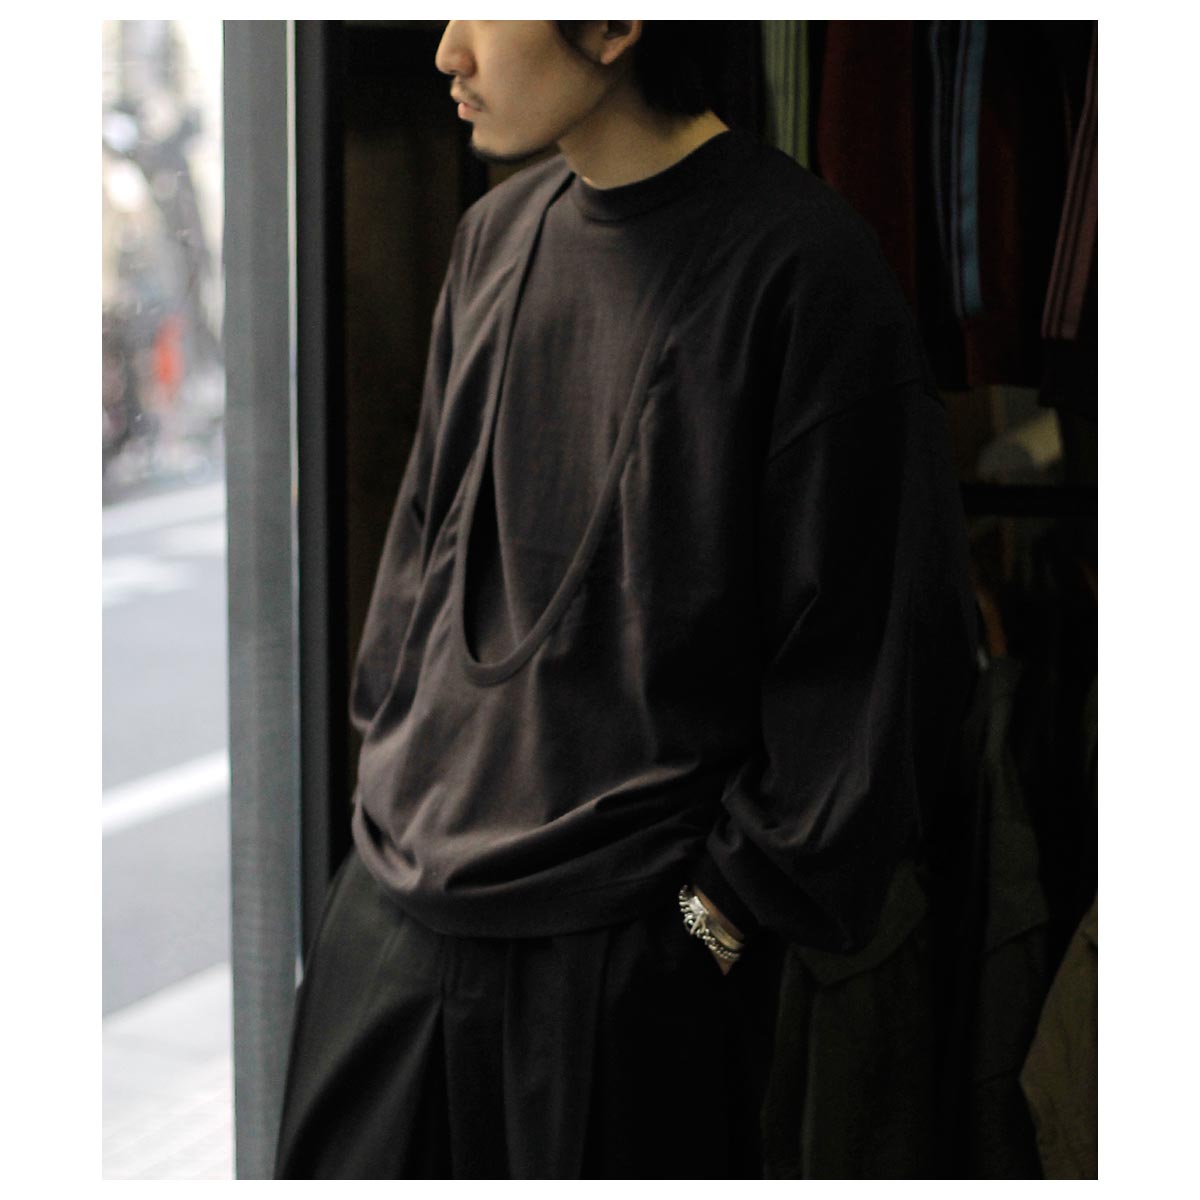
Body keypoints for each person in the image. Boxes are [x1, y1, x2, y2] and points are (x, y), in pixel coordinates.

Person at [273, 19, 978, 1180]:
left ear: (613, 23)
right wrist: (384, 794)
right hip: (389, 938)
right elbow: (415, 572)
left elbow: (876, 667)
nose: (447, 49)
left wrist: (710, 929)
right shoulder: (494, 238)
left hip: (614, 974)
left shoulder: (805, 270)